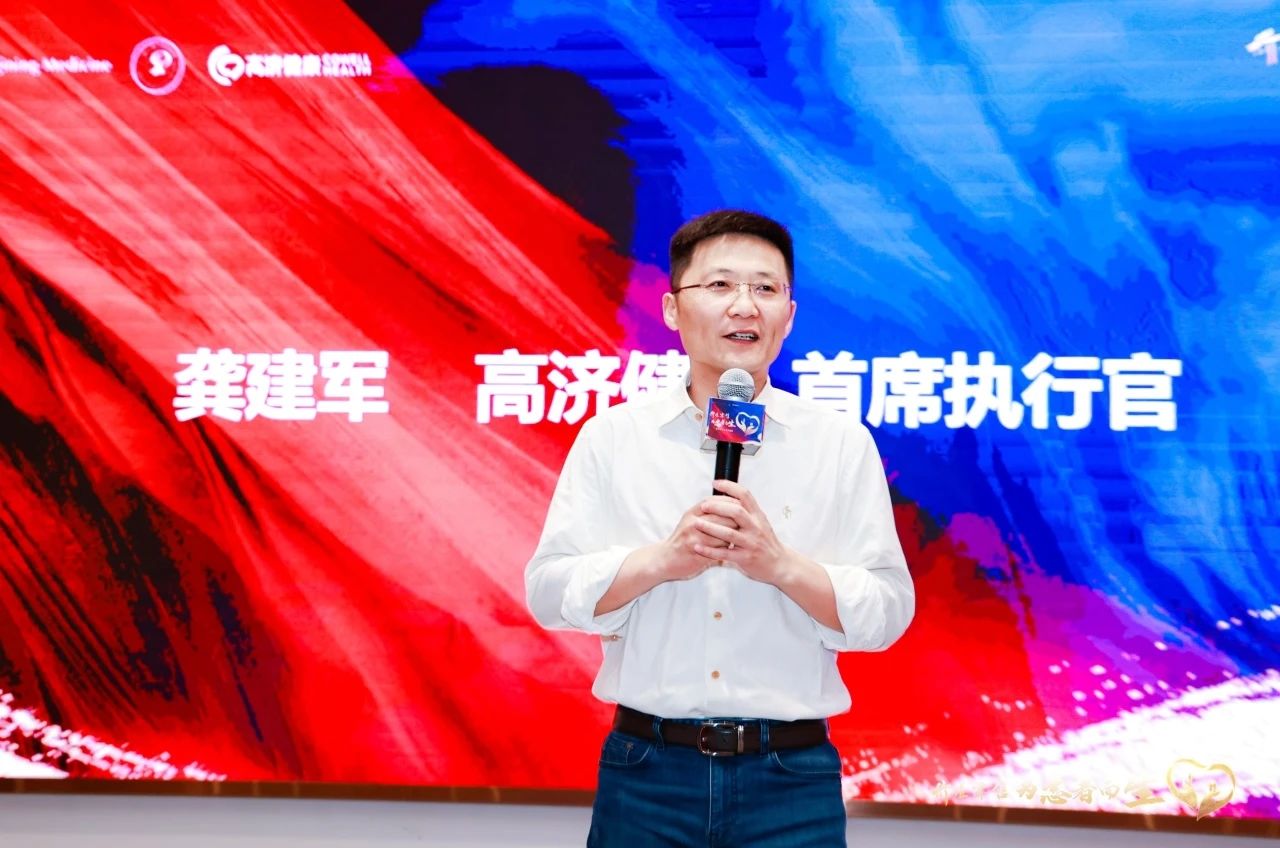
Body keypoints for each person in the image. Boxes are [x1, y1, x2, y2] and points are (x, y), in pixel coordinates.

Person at [526, 209, 915, 847]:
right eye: (720, 285)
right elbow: (547, 592)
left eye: (765, 288)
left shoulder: (839, 443)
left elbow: (887, 613)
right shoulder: (615, 438)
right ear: (672, 309)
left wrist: (780, 567)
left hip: (791, 778)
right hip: (648, 772)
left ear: (789, 314)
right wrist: (661, 561)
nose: (745, 306)